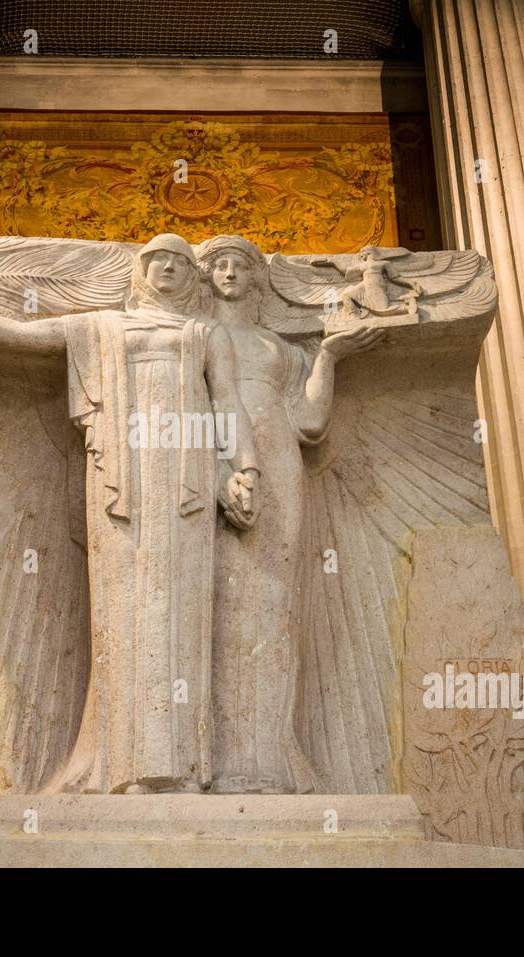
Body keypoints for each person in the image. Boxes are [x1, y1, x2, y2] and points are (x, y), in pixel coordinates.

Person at [0, 234, 258, 794]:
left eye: (179, 262)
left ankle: (183, 767)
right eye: (157, 261)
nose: (168, 270)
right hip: (120, 484)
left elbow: (227, 403)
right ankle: (121, 766)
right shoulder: (99, 328)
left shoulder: (205, 335)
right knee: (123, 611)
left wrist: (242, 470)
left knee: (182, 611)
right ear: (140, 272)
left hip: (189, 486)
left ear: (191, 275)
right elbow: (21, 336)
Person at [197, 235, 382, 793]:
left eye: (240, 265)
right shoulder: (194, 338)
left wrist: (329, 354)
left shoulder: (279, 347)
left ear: (257, 278)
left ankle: (270, 758)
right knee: (218, 602)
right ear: (206, 277)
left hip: (279, 463)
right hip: (219, 459)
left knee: (275, 602)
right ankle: (213, 758)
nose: (229, 272)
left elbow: (310, 422)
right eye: (219, 265)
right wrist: (219, 472)